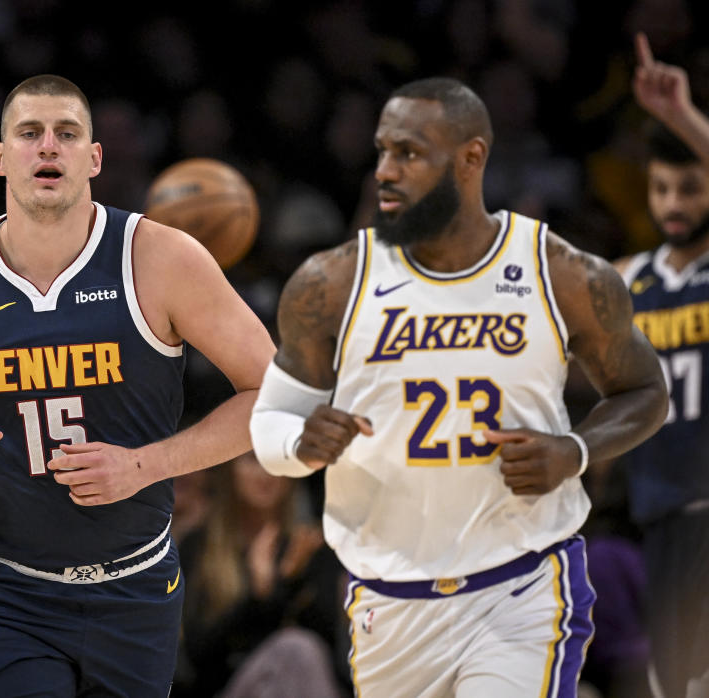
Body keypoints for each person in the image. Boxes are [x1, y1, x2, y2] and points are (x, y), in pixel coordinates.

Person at [0, 75, 275, 698]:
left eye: (67, 134)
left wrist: (147, 465)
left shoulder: (161, 260)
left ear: (94, 158)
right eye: (29, 133)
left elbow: (270, 393)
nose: (48, 147)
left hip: (135, 586)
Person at [249, 76, 669, 698]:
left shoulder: (560, 272)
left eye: (409, 153)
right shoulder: (330, 282)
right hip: (386, 600)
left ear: (471, 158)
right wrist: (302, 443)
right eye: (382, 150)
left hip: (521, 587)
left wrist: (572, 452)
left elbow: (645, 391)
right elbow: (270, 423)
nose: (385, 172)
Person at [610, 33, 709, 698]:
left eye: (691, 188)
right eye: (661, 188)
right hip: (661, 512)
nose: (673, 204)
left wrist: (683, 118)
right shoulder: (627, 282)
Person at [173, 451, 346, 698]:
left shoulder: (310, 546)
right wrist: (257, 596)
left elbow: (330, 652)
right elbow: (198, 659)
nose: (266, 472)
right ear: (230, 469)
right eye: (253, 460)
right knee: (295, 649)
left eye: (276, 460)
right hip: (227, 687)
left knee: (299, 650)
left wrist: (291, 581)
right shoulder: (198, 546)